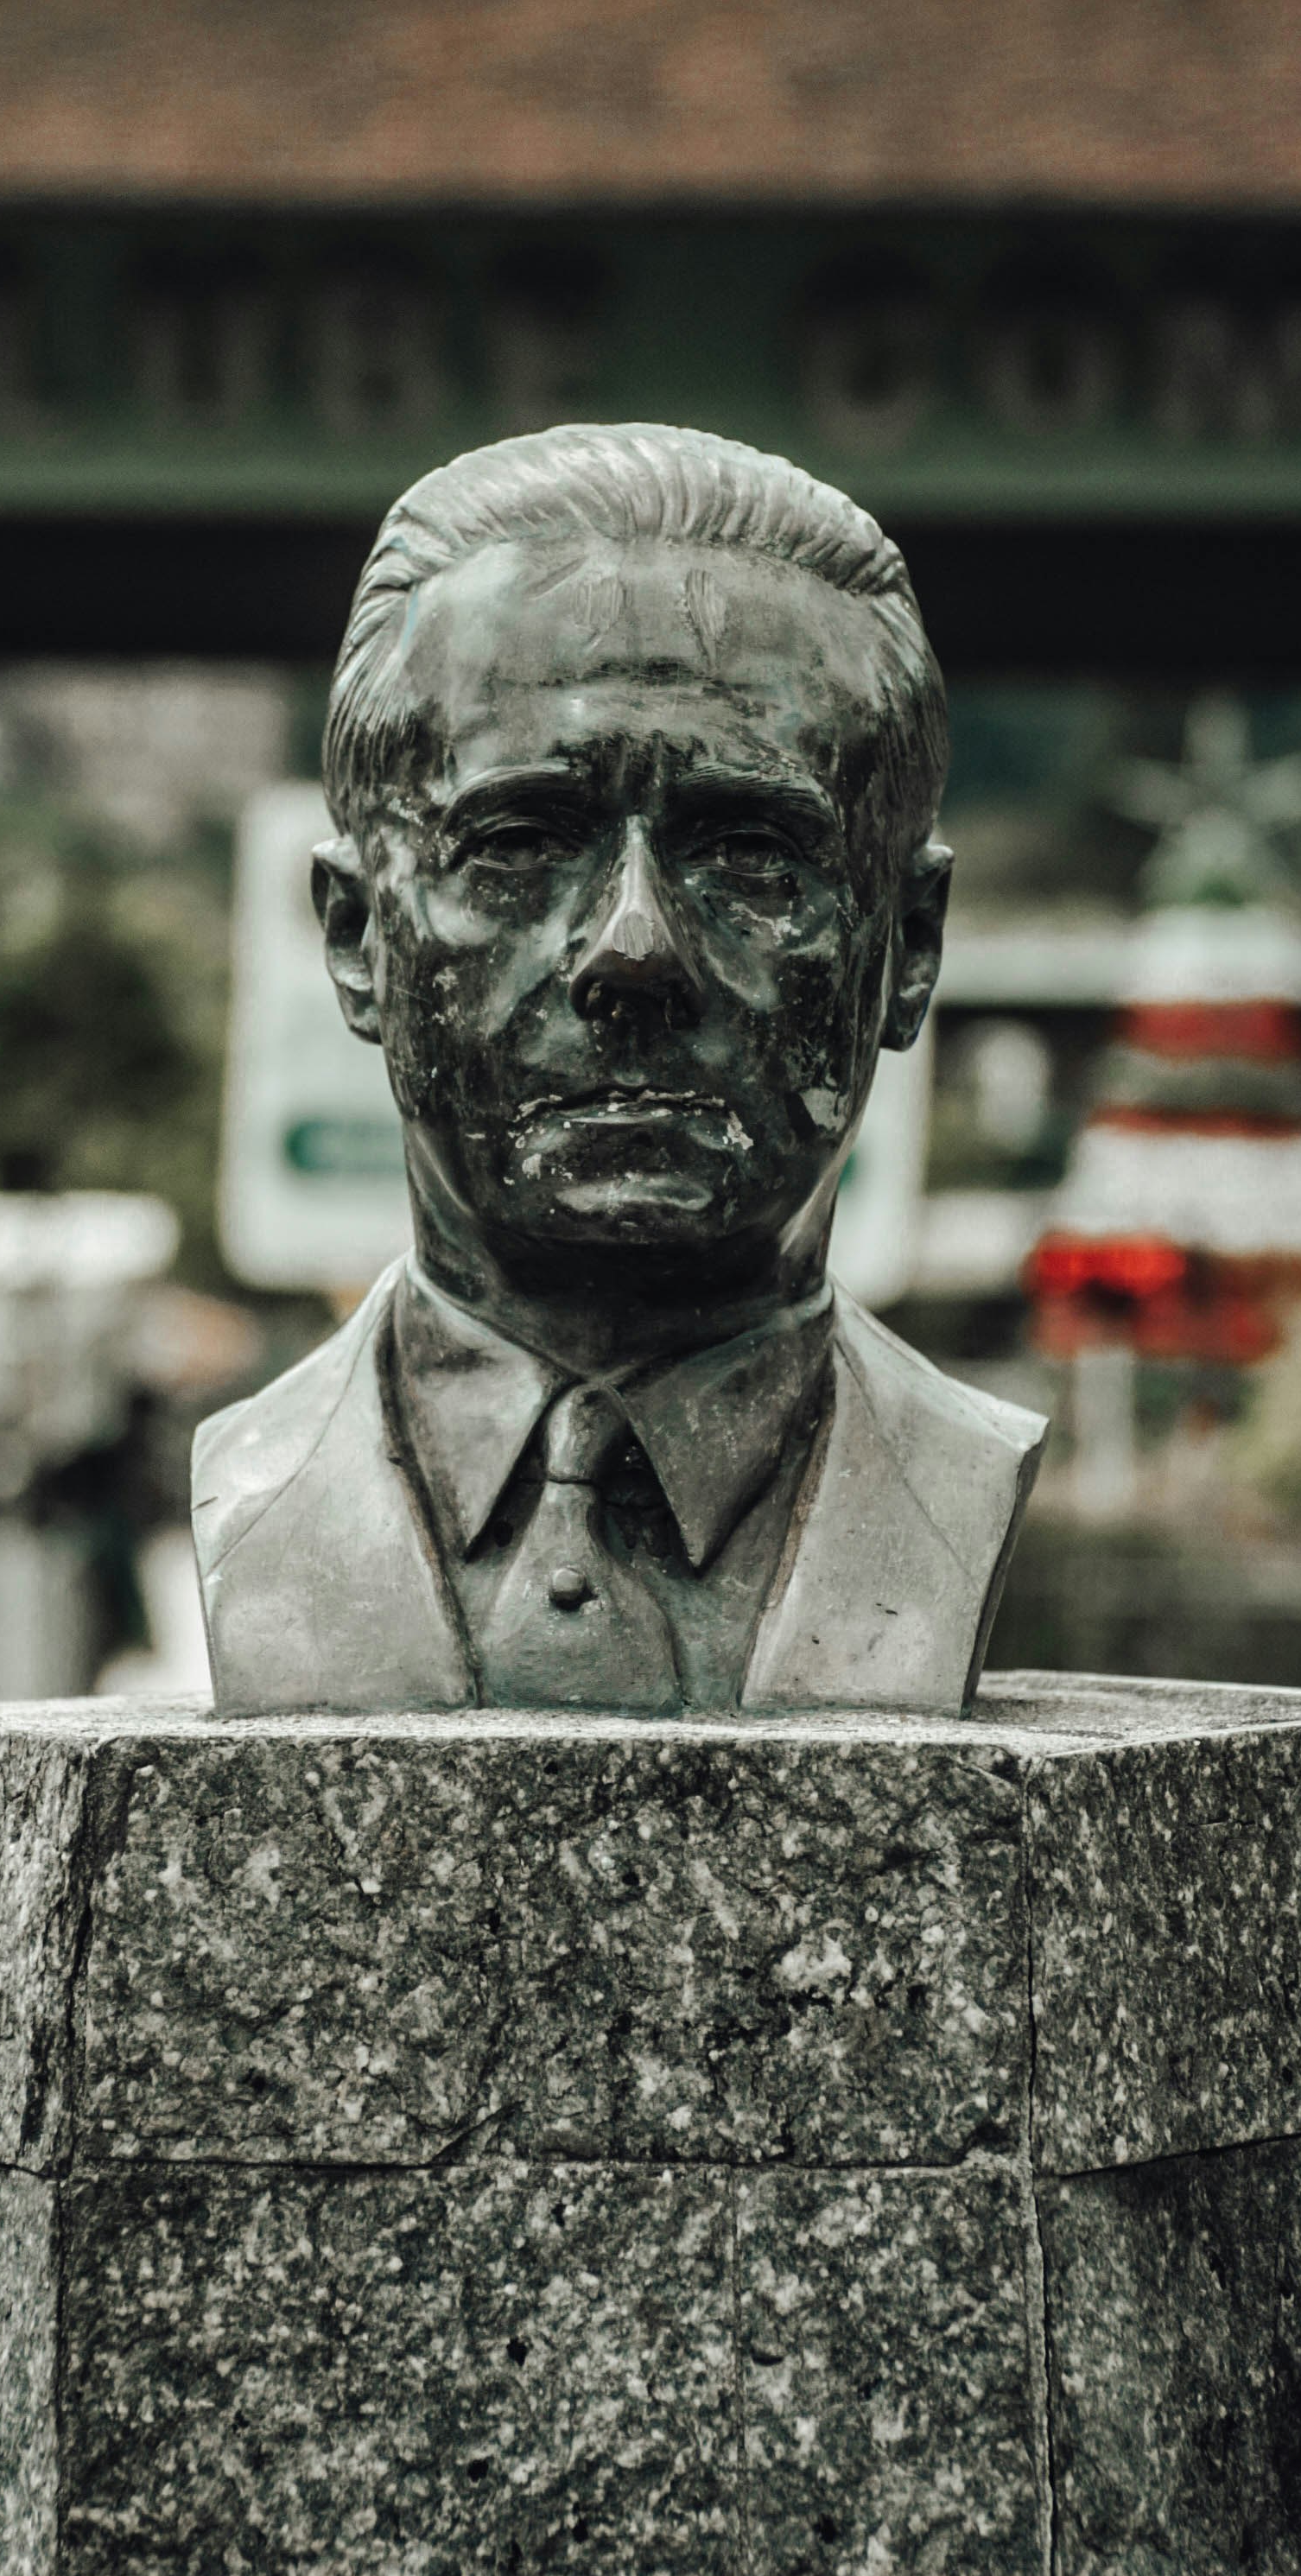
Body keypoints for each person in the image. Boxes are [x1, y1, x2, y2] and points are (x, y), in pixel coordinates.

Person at [193, 423, 1043, 1714]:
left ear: (907, 951)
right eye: (522, 842)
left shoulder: (958, 1489)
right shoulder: (250, 1488)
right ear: (359, 940)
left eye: (752, 853)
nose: (632, 951)